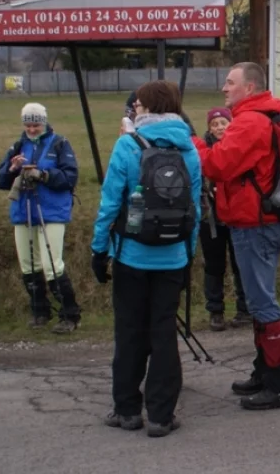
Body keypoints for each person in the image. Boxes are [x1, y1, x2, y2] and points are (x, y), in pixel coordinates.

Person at [90, 81, 201, 437]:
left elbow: (110, 203)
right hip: (173, 258)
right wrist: (189, 253)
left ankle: (126, 410)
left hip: (132, 255)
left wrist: (99, 249)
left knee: (129, 331)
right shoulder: (189, 149)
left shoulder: (128, 145)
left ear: (148, 107)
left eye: (138, 104)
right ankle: (161, 416)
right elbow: (195, 210)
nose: (134, 108)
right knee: (164, 331)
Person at [193, 62, 280, 411]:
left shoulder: (252, 121)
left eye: (230, 82)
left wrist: (191, 141)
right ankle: (265, 370)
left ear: (249, 88)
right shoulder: (259, 116)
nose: (224, 88)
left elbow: (217, 165)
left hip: (256, 223)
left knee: (262, 302)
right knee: (257, 300)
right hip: (256, 220)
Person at [0, 102, 81, 334]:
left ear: (44, 122)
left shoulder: (60, 144)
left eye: (36, 125)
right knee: (28, 264)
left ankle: (70, 315)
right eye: (28, 125)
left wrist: (43, 175)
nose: (32, 129)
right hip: (23, 212)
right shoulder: (17, 146)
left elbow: (70, 177)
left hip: (52, 211)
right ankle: (40, 311)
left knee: (52, 264)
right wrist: (12, 169)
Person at [199, 107, 251, 331]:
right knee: (213, 265)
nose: (220, 127)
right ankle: (215, 311)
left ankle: (245, 309)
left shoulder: (238, 147)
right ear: (209, 128)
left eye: (223, 123)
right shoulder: (203, 150)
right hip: (210, 217)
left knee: (241, 263)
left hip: (237, 214)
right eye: (215, 124)